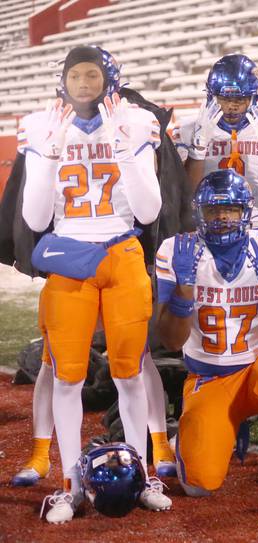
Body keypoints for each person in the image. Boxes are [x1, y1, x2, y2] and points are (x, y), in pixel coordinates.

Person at [10, 46, 179, 489]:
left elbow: (147, 211)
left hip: (122, 253)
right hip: (69, 257)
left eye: (92, 75)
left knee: (131, 370)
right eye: (75, 75)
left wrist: (125, 150)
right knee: (64, 375)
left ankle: (144, 474)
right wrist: (46, 157)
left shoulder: (135, 120)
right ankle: (68, 481)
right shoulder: (42, 125)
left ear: (109, 79)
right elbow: (33, 219)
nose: (83, 83)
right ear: (62, 80)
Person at [156, 170, 258, 495]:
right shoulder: (176, 251)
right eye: (213, 210)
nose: (222, 218)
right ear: (199, 213)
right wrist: (184, 291)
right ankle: (202, 432)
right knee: (198, 485)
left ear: (246, 213)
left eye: (230, 209)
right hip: (209, 379)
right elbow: (171, 341)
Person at [172, 53, 258, 228]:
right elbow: (186, 197)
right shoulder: (188, 128)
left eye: (240, 99)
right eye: (224, 99)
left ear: (255, 97)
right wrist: (197, 150)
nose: (232, 106)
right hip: (207, 227)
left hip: (257, 226)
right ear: (211, 96)